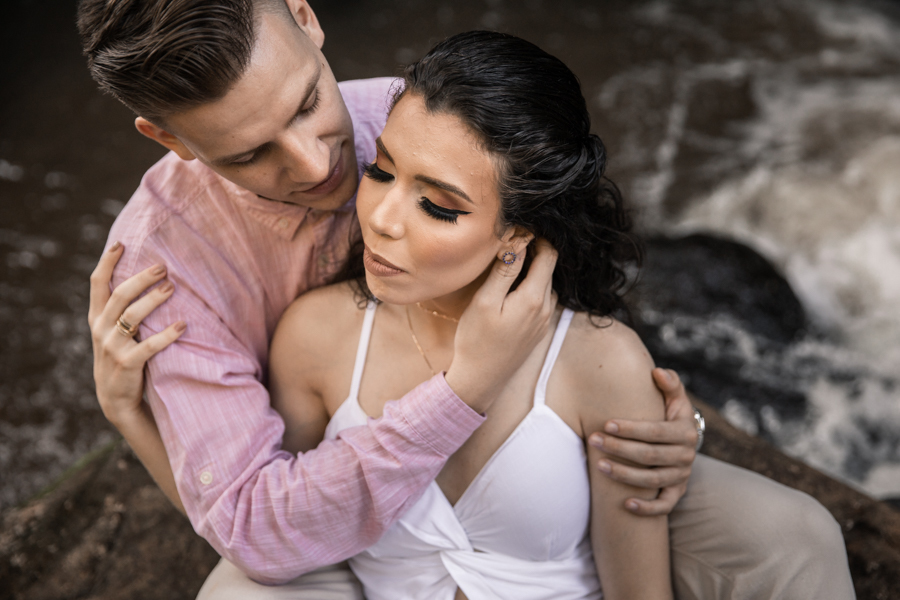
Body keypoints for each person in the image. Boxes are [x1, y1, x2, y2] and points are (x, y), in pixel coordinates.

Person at [77, 0, 854, 598]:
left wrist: (661, 423)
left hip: (533, 481)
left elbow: (571, 275)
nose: (318, 165)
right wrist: (465, 388)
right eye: (250, 153)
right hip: (332, 509)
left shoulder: (417, 116)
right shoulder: (158, 272)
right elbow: (253, 523)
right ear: (169, 139)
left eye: (309, 104)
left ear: (306, 18)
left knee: (791, 536)